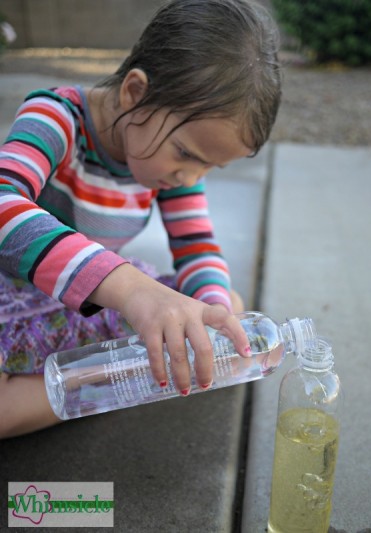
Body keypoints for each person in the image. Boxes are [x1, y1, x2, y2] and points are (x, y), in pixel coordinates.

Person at [0, 0, 281, 438]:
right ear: (135, 93)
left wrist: (214, 319)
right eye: (187, 154)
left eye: (209, 167)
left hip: (91, 300)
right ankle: (114, 380)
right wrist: (131, 288)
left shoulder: (169, 160)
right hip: (16, 292)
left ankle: (106, 377)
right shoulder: (56, 118)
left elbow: (197, 247)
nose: (190, 177)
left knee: (227, 306)